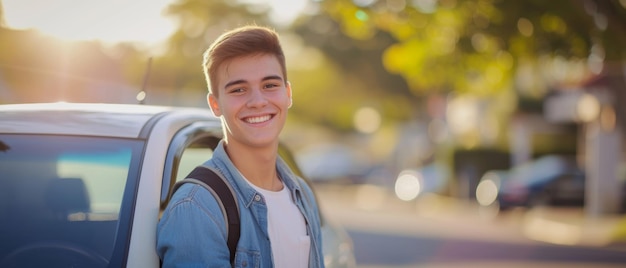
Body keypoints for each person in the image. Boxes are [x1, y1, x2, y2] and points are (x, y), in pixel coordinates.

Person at [156, 25, 325, 268]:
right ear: (215, 104)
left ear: (288, 94)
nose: (258, 101)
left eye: (269, 85)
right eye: (239, 89)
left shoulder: (302, 195)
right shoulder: (197, 207)